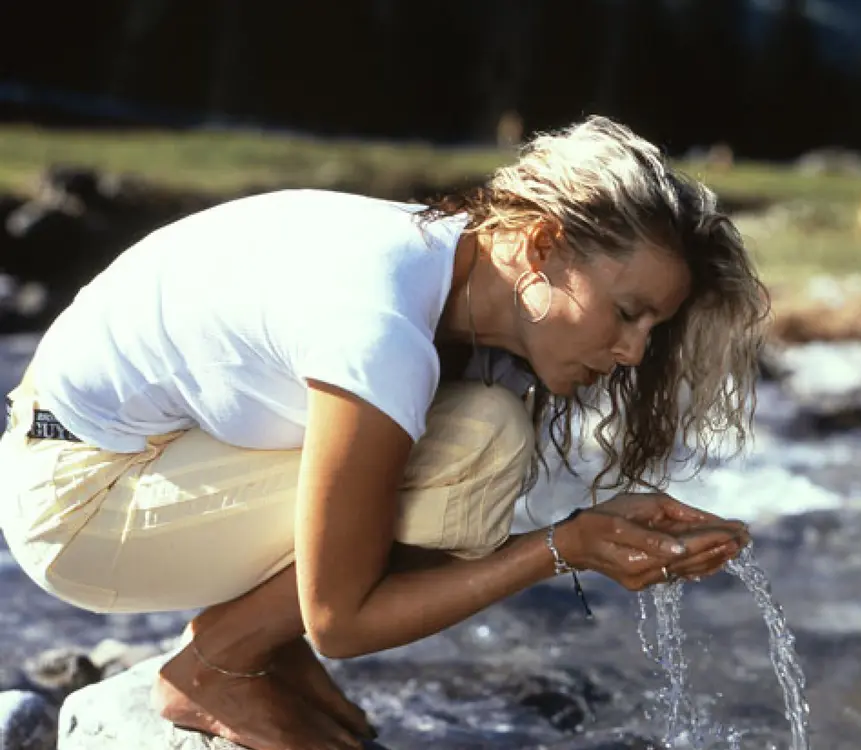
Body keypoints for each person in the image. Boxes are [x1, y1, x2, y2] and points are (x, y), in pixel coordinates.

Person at [0, 116, 768, 750]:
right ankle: (214, 665)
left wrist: (585, 532)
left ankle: (259, 645)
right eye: (626, 313)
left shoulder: (448, 275)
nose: (634, 351)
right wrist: (565, 548)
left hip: (134, 453)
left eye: (652, 328)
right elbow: (343, 619)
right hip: (76, 502)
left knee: (475, 439)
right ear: (540, 247)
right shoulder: (383, 326)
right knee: (479, 447)